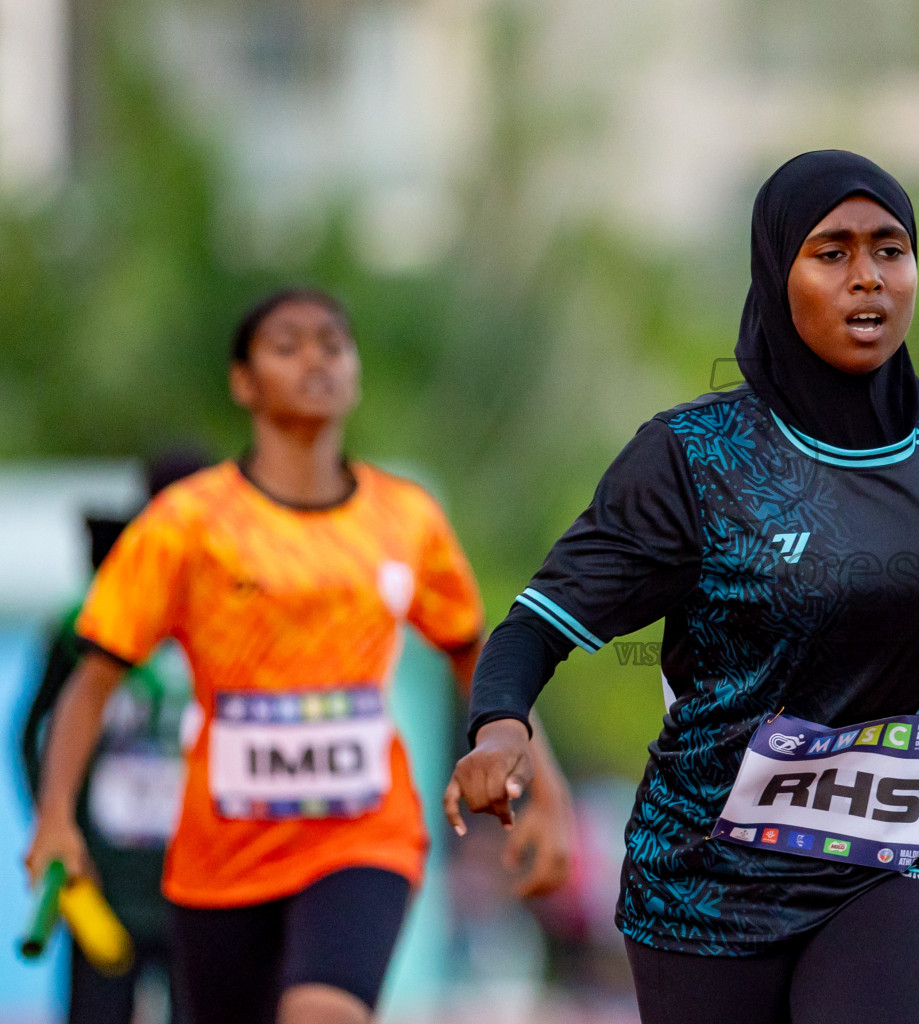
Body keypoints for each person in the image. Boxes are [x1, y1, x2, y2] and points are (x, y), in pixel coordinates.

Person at [447, 150, 919, 1023]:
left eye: (890, 250)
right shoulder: (693, 458)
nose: (867, 278)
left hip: (903, 855)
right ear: (776, 273)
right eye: (832, 253)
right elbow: (538, 624)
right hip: (708, 875)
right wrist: (500, 731)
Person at [26, 289, 575, 1024]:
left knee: (323, 1013)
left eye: (333, 343)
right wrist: (56, 812)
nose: (316, 358)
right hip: (221, 858)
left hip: (362, 834)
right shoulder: (185, 526)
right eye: (288, 346)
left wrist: (550, 794)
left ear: (354, 372)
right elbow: (90, 686)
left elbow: (479, 662)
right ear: (244, 383)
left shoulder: (406, 519)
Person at [21, 449, 210, 1024]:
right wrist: (57, 821)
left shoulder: (232, 615)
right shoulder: (87, 621)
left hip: (202, 880)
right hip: (104, 878)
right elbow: (30, 733)